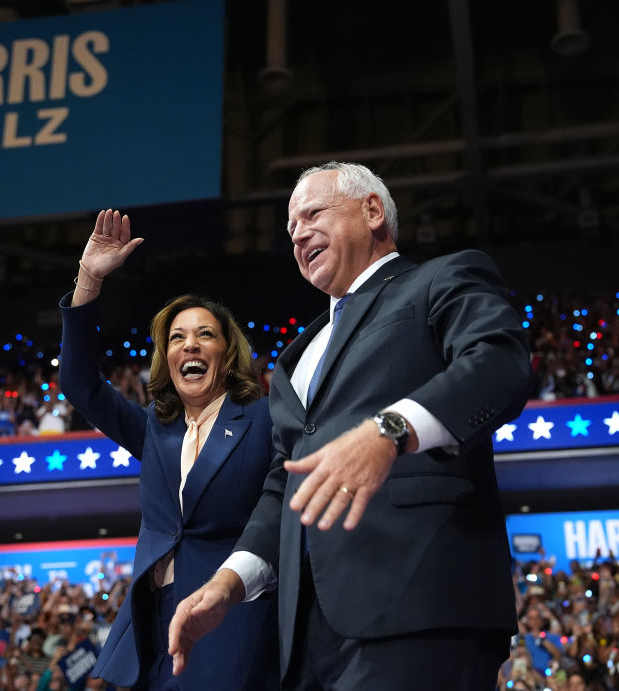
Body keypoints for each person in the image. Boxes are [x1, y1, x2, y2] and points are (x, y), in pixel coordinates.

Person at [169, 162, 532, 689]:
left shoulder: (439, 279)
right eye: (291, 230)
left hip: (419, 605)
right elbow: (285, 482)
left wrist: (387, 431)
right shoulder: (295, 358)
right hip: (306, 635)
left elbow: (500, 363)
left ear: (373, 210)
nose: (297, 235)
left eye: (313, 214)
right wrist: (230, 580)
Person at [58, 209, 277, 690]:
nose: (190, 345)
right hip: (149, 627)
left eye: (205, 334)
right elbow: (79, 383)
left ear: (227, 350)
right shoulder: (155, 429)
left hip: (228, 622)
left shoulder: (263, 419)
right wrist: (89, 279)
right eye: (177, 337)